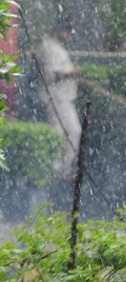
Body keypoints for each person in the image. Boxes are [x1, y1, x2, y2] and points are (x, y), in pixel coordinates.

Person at [35, 21, 83, 179]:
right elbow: (54, 73)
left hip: (64, 96)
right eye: (68, 32)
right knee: (58, 132)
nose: (70, 36)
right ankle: (55, 170)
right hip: (55, 96)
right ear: (60, 30)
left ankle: (62, 169)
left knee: (73, 131)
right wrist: (74, 73)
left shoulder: (55, 47)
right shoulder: (49, 47)